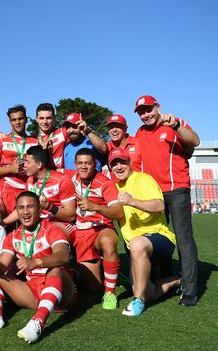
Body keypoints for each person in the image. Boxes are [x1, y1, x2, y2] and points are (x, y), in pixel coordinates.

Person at [0, 192, 76, 344]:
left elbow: (63, 256)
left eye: (30, 207)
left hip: (63, 294)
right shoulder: (13, 236)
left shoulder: (52, 229)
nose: (25, 212)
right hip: (33, 293)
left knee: (55, 269)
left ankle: (38, 321)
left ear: (39, 209)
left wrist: (36, 262)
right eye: (20, 208)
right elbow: (1, 268)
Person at [133, 95, 200, 306]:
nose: (146, 114)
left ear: (157, 107)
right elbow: (136, 162)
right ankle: (164, 278)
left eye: (148, 109)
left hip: (177, 190)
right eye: (141, 112)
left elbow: (195, 141)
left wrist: (177, 125)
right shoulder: (140, 133)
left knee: (184, 240)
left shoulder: (174, 123)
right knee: (156, 238)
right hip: (153, 195)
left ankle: (189, 290)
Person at [109, 149, 182, 316]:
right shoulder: (113, 187)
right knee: (147, 292)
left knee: (137, 244)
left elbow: (159, 206)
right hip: (136, 247)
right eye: (114, 164)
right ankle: (177, 280)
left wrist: (131, 201)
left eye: (122, 162)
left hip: (160, 238)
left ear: (129, 162)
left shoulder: (143, 179)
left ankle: (138, 301)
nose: (118, 167)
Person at [71, 148, 124, 310]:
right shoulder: (70, 178)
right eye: (80, 163)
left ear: (95, 165)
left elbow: (119, 212)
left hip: (101, 229)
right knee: (93, 287)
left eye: (88, 163)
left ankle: (110, 292)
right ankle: (111, 270)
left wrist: (95, 207)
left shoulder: (105, 183)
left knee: (108, 241)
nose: (84, 167)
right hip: (81, 232)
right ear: (75, 165)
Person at [2, 146, 76, 237]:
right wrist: (3, 222)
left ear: (39, 165)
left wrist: (49, 206)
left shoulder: (62, 180)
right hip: (39, 224)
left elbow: (71, 216)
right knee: (15, 236)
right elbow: (23, 208)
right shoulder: (30, 180)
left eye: (27, 162)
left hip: (61, 224)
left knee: (41, 232)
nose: (24, 165)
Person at [0, 104, 39, 215]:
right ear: (10, 122)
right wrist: (11, 169)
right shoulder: (1, 141)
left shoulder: (35, 142)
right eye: (14, 120)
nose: (18, 122)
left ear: (26, 119)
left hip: (29, 190)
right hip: (7, 192)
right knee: (8, 228)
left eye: (20, 118)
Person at [32, 103, 69, 169]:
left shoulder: (62, 132)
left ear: (54, 118)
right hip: (41, 176)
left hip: (58, 175)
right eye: (41, 118)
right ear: (36, 119)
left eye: (48, 118)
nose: (45, 122)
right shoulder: (32, 138)